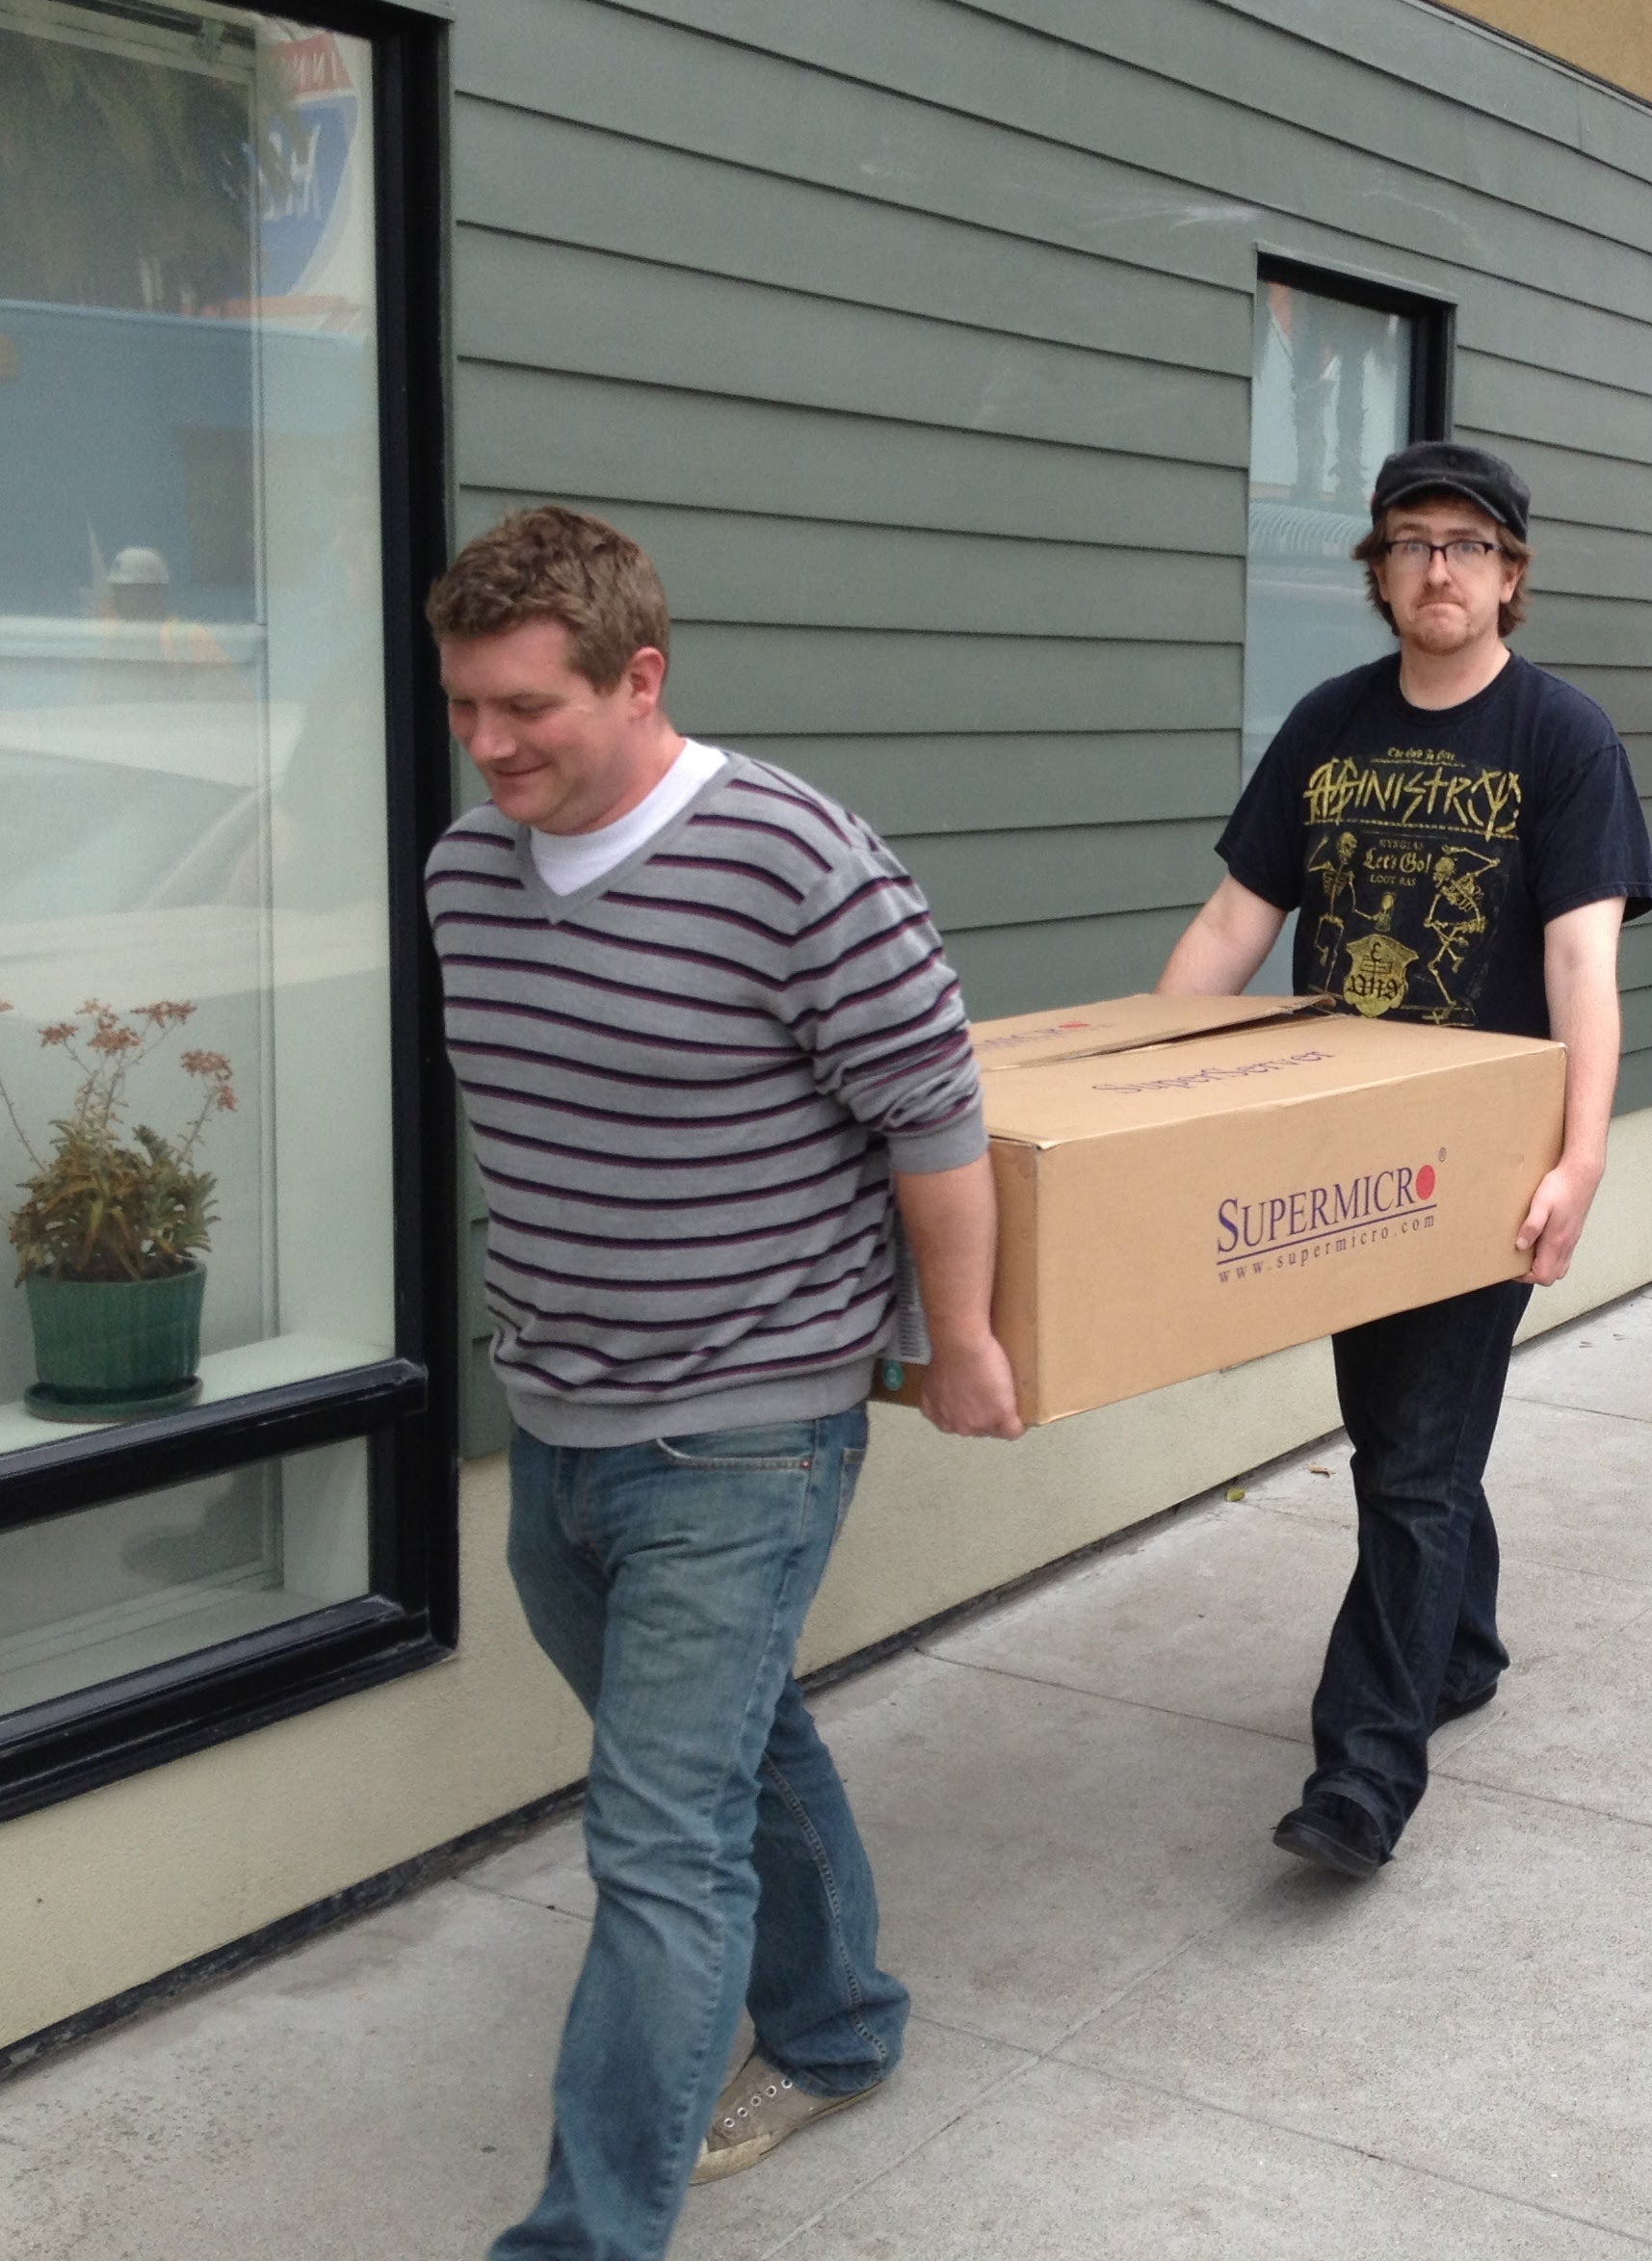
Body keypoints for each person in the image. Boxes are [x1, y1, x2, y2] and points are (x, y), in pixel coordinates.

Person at [424, 507, 1023, 2261]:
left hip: (745, 1426)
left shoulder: (793, 860)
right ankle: (834, 2025)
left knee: (655, 1837)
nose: (489, 743)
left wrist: (963, 1338)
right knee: (730, 1742)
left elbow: (932, 1114)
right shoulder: (468, 871)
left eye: (526, 705)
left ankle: (585, 2234)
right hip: (554, 1418)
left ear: (641, 676)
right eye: (464, 704)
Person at [1158, 441, 1652, 1880]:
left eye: (1468, 544)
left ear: (1511, 577)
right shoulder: (1328, 726)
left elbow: (1584, 966)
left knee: (1417, 1462)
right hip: (1346, 1152)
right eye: (1410, 542)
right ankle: (1467, 1644)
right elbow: (1230, 929)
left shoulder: (1562, 740)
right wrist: (1140, 1094)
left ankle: (1364, 1775)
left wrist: (1582, 1157)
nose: (1438, 567)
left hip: (1484, 1158)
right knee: (1405, 1439)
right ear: (1378, 573)